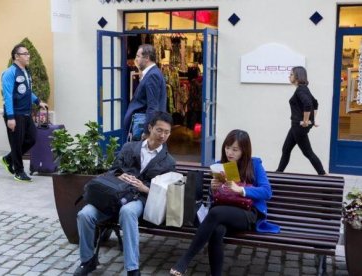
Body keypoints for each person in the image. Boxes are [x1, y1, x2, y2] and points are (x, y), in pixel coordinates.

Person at [75, 111, 176, 276]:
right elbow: (113, 170)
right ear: (150, 128)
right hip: (114, 196)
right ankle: (87, 261)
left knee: (128, 211)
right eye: (159, 130)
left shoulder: (169, 161)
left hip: (140, 199)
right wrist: (120, 175)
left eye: (167, 132)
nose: (163, 135)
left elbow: (166, 191)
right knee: (85, 214)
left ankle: (132, 268)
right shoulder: (130, 147)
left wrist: (145, 188)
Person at [170, 129, 279, 276]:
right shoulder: (219, 165)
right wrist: (213, 188)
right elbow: (216, 197)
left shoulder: (254, 164)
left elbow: (267, 192)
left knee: (215, 213)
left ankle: (184, 261)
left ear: (244, 150)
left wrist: (241, 190)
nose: (230, 153)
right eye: (227, 148)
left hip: (247, 214)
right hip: (224, 212)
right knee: (217, 230)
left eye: (235, 149)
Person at [1, 44, 48, 182]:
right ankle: (18, 171)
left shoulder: (26, 71)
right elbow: (8, 95)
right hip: (15, 113)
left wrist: (38, 101)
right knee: (16, 142)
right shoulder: (9, 73)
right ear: (16, 56)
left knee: (32, 138)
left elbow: (27, 91)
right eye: (25, 54)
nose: (28, 56)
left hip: (26, 112)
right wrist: (10, 117)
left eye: (28, 53)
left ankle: (8, 159)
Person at [276, 66, 326, 175]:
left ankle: (323, 174)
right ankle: (278, 173)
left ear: (297, 76)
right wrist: (313, 120)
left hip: (298, 127)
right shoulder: (304, 88)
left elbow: (308, 104)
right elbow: (315, 103)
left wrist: (306, 121)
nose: (289, 76)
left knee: (308, 152)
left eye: (291, 74)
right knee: (286, 149)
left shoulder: (301, 90)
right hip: (295, 126)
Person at [124, 44, 167, 139]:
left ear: (147, 58)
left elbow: (153, 105)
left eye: (138, 56)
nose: (136, 59)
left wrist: (147, 131)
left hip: (143, 126)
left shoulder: (152, 75)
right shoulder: (152, 73)